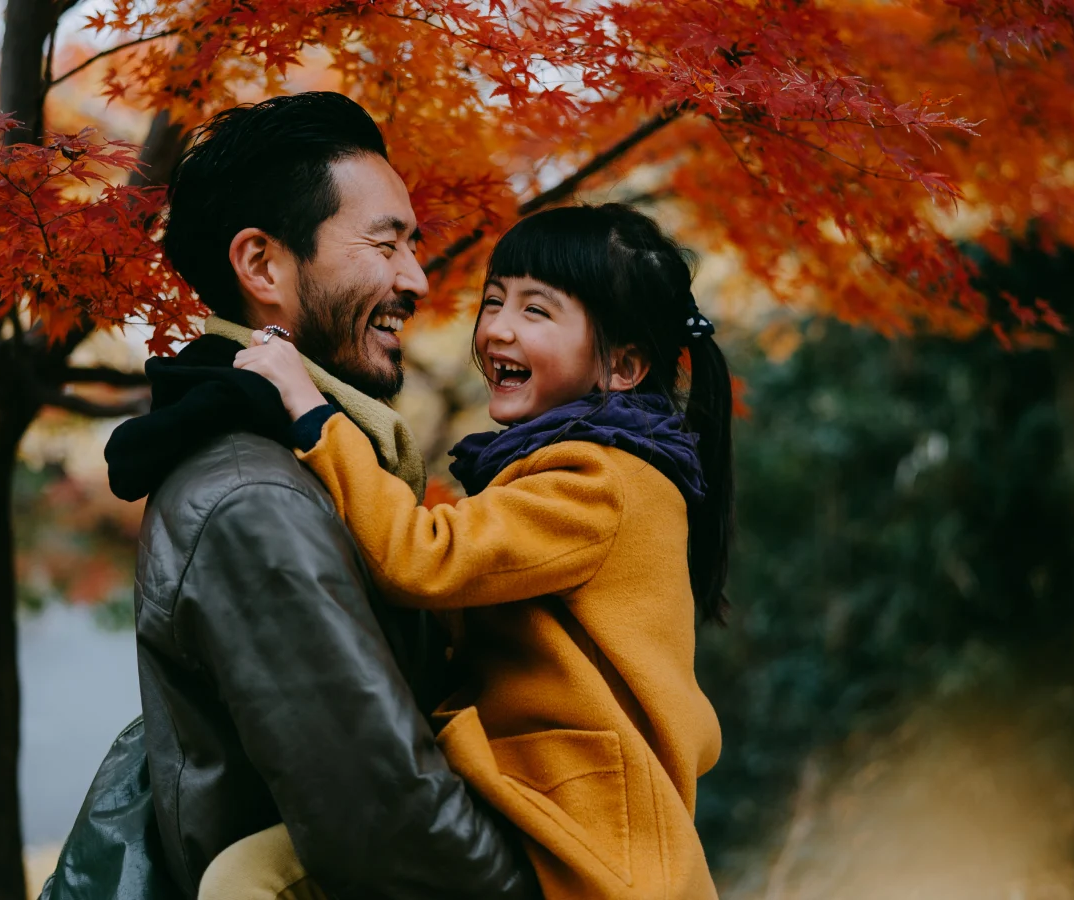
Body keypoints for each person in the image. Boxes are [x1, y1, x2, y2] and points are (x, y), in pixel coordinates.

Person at [39, 92, 537, 900]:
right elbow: (391, 824)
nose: (415, 277)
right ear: (262, 265)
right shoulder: (253, 498)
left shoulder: (305, 462)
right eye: (385, 243)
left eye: (414, 245)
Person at [227, 203, 732, 899]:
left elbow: (422, 559)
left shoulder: (599, 481)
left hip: (576, 835)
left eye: (537, 310)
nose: (496, 327)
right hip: (538, 806)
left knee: (252, 878)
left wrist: (310, 409)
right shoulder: (581, 468)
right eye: (494, 300)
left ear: (622, 366)